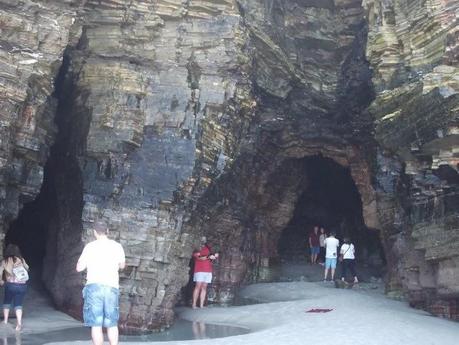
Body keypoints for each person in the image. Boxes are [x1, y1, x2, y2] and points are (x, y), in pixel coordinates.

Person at [76, 222, 126, 345]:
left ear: (94, 232)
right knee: (112, 323)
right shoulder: (117, 246)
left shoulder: (90, 247)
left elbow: (79, 268)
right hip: (111, 287)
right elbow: (122, 266)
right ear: (107, 231)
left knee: (96, 324)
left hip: (94, 287)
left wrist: (80, 262)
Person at [0, 244, 29, 331]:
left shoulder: (4, 261)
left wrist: (1, 281)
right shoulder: (21, 259)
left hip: (11, 285)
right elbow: (27, 268)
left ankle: (5, 321)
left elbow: (0, 272)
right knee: (18, 304)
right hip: (22, 285)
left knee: (7, 302)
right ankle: (19, 324)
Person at [191, 236, 218, 309]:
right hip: (199, 271)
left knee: (204, 287)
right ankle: (194, 304)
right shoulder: (197, 248)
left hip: (208, 271)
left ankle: (201, 305)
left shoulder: (208, 248)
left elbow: (210, 259)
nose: (203, 241)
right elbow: (200, 258)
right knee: (198, 287)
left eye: (204, 239)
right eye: (202, 239)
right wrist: (209, 257)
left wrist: (214, 256)